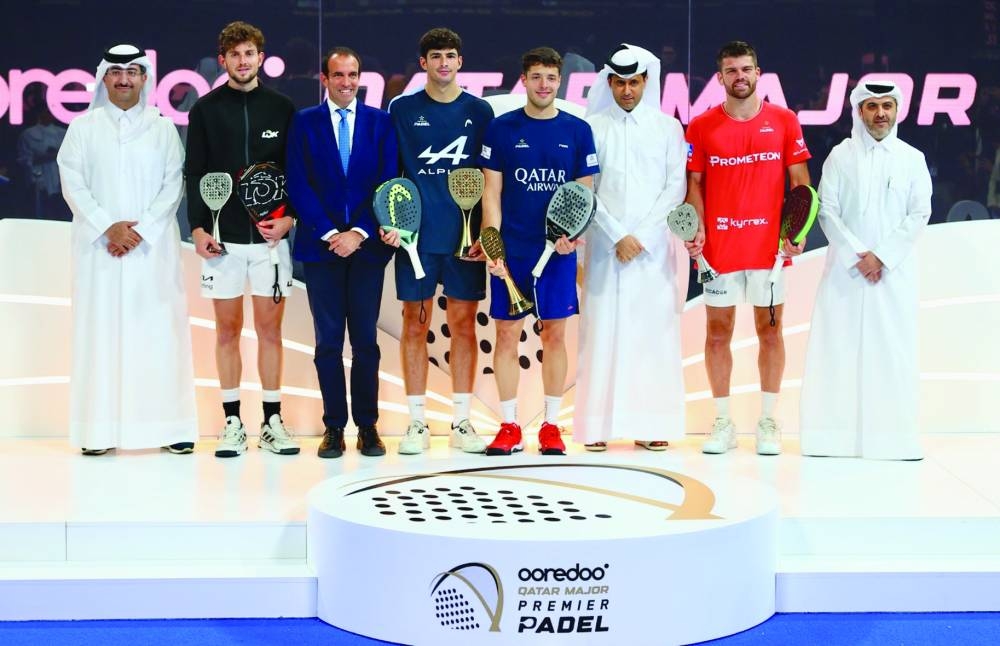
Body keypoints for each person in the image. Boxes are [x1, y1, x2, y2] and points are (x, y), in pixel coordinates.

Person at [57, 44, 197, 455]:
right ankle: (97, 433)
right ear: (104, 78)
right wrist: (108, 227)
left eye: (132, 72)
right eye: (116, 72)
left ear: (144, 79)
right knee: (99, 336)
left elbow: (173, 185)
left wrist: (140, 232)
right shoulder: (82, 128)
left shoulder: (162, 128)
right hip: (99, 250)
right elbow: (73, 184)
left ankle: (169, 428)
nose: (123, 79)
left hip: (152, 252)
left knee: (159, 334)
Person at [684, 40, 811, 456]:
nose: (739, 76)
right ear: (720, 78)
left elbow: (800, 184)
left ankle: (768, 421)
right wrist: (696, 227)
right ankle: (723, 423)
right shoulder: (701, 126)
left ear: (758, 73)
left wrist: (797, 231)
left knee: (770, 332)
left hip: (768, 251)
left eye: (745, 69)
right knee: (717, 334)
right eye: (731, 71)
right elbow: (695, 184)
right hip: (718, 250)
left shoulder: (785, 121)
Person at [800, 80, 932, 460]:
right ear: (859, 111)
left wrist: (882, 257)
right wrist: (858, 255)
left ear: (896, 110)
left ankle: (893, 440)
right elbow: (827, 211)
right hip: (846, 274)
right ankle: (831, 439)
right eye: (872, 106)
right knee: (837, 351)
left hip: (893, 274)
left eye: (886, 106)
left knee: (892, 352)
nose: (880, 114)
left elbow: (919, 213)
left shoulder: (912, 158)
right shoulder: (840, 157)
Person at [478, 46, 599, 456]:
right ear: (524, 80)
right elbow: (491, 194)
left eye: (550, 78)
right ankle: (509, 425)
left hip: (558, 254)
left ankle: (551, 426)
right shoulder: (501, 129)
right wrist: (492, 245)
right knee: (506, 334)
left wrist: (571, 235)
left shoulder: (577, 131)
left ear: (559, 81)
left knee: (555, 335)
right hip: (513, 251)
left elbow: (583, 194)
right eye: (536, 77)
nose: (544, 85)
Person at [185, 21, 298, 458]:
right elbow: (195, 172)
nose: (243, 61)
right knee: (227, 332)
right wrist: (198, 227)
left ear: (260, 57)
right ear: (223, 60)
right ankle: (232, 422)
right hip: (223, 244)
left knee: (270, 333)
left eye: (249, 53)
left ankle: (272, 421)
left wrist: (289, 218)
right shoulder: (205, 111)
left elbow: (297, 172)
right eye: (234, 54)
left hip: (271, 243)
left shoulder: (282, 108)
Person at [383, 28, 494, 455]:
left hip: (465, 241)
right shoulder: (402, 109)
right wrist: (390, 222)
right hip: (417, 240)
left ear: (460, 62)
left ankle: (461, 421)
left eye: (450, 55)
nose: (443, 63)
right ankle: (416, 423)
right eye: (435, 56)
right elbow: (391, 175)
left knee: (464, 325)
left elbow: (491, 180)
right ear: (423, 63)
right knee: (415, 324)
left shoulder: (480, 112)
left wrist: (486, 233)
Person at [285, 47, 398, 459]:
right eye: (338, 75)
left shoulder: (381, 123)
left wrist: (359, 232)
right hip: (322, 249)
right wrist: (333, 233)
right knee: (329, 342)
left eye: (352, 75)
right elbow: (298, 183)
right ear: (325, 79)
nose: (346, 82)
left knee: (366, 342)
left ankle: (368, 427)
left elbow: (387, 181)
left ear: (359, 78)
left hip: (367, 251)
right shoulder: (304, 122)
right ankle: (334, 427)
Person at [574, 44, 687, 452]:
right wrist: (617, 234)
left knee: (652, 336)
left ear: (645, 82)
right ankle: (596, 426)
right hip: (605, 250)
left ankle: (652, 424)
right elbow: (587, 189)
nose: (627, 90)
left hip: (653, 253)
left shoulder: (668, 129)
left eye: (634, 83)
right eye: (620, 83)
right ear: (609, 83)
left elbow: (675, 187)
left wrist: (642, 236)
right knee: (600, 335)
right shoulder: (592, 128)